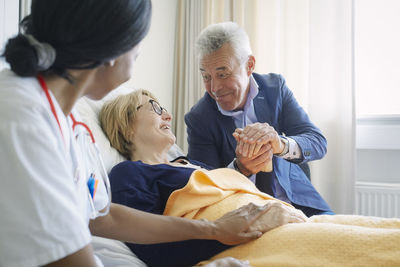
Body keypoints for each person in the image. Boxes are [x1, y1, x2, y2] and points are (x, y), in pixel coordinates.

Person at [0, 2, 274, 266]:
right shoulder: (22, 116)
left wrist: (214, 229)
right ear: (112, 49)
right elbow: (63, 257)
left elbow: (104, 218)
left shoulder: (70, 123)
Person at [99, 89, 308, 267]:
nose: (168, 116)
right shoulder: (129, 173)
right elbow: (154, 251)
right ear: (126, 125)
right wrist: (243, 229)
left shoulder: (195, 166)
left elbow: (257, 201)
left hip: (287, 225)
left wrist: (264, 164)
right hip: (251, 244)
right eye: (155, 108)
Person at [184, 21, 333, 217]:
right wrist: (240, 168)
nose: (214, 88)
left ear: (249, 65)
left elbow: (317, 142)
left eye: (222, 74)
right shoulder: (199, 118)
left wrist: (280, 145)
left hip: (300, 203)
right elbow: (205, 188)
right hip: (246, 214)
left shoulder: (275, 89)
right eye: (206, 76)